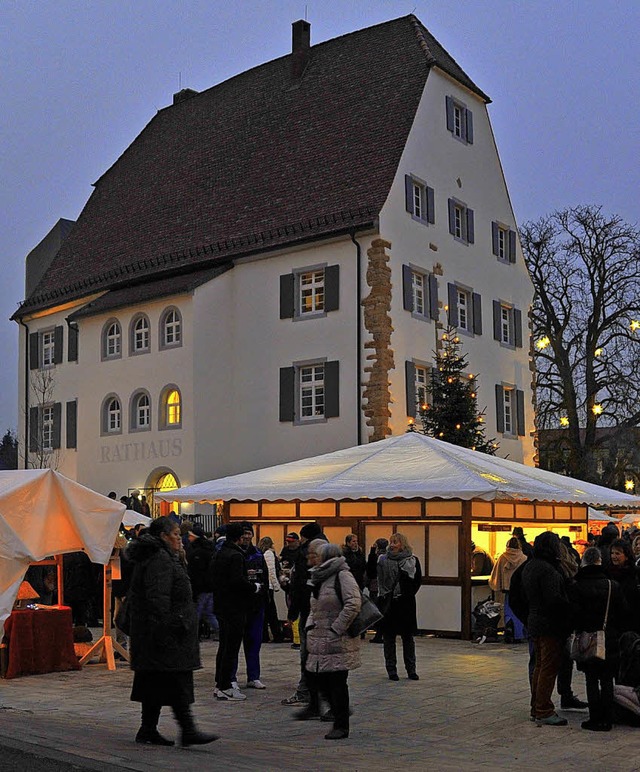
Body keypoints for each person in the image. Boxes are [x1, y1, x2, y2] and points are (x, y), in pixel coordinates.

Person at [126, 516, 217, 746]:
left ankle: (149, 729)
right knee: (175, 680)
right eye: (176, 534)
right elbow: (158, 598)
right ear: (163, 537)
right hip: (165, 633)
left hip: (157, 633)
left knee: (155, 681)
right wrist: (173, 623)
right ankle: (187, 729)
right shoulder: (160, 560)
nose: (180, 538)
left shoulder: (161, 557)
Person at [300, 540, 361, 740]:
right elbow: (315, 607)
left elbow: (353, 603)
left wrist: (337, 628)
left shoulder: (342, 575)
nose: (312, 558)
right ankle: (335, 713)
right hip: (319, 637)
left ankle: (341, 724)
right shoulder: (320, 577)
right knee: (320, 679)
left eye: (317, 555)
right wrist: (310, 625)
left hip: (337, 639)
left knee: (337, 682)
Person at [569, 546, 629, 731]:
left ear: (584, 561)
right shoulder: (612, 586)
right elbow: (623, 613)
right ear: (600, 561)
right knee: (607, 679)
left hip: (587, 638)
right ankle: (607, 717)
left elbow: (573, 614)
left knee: (591, 679)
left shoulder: (577, 586)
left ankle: (595, 717)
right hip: (609, 637)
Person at [520, 531, 571, 726]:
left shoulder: (531, 566)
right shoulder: (548, 569)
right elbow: (554, 600)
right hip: (549, 623)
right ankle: (543, 709)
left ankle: (537, 706)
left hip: (535, 620)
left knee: (540, 666)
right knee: (548, 667)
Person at [211, 522, 263, 701]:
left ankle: (220, 684)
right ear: (239, 537)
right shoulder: (235, 555)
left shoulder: (219, 553)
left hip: (221, 606)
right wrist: (254, 587)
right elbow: (237, 581)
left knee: (224, 647)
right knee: (231, 648)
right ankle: (225, 685)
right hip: (234, 607)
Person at [282, 522, 328, 706]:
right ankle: (319, 694)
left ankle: (307, 692)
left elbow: (299, 587)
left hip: (310, 612)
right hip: (325, 615)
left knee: (308, 654)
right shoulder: (332, 556)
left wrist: (292, 612)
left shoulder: (305, 554)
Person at [377, 532, 422, 681]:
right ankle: (391, 670)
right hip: (389, 603)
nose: (392, 544)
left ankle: (411, 669)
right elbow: (373, 573)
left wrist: (406, 593)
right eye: (391, 541)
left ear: (402, 544)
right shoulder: (383, 560)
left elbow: (417, 581)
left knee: (407, 638)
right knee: (389, 638)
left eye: (395, 542)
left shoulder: (412, 561)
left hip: (405, 603)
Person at [489, 537, 527, 642]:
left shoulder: (502, 557)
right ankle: (518, 635)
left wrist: (497, 585)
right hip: (519, 590)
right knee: (519, 612)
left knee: (508, 610)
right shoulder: (523, 558)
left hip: (507, 589)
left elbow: (495, 573)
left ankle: (509, 629)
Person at [185, 523, 218, 641]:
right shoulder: (210, 549)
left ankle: (194, 635)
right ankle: (220, 632)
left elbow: (195, 573)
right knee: (209, 613)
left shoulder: (196, 552)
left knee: (197, 614)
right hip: (210, 587)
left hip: (201, 588)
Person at [605, 538, 640, 632]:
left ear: (626, 556)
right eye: (612, 553)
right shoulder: (608, 573)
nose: (613, 556)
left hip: (632, 622)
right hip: (613, 623)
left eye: (618, 553)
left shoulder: (635, 573)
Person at [258, 536, 284, 643]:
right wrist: (276, 586)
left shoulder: (260, 553)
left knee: (264, 612)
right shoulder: (269, 554)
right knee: (272, 612)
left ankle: (264, 636)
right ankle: (277, 635)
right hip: (268, 587)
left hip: (263, 586)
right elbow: (271, 571)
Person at [366, 538, 388, 644]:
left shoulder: (376, 557)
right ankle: (383, 633)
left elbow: (370, 570)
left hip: (376, 586)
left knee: (376, 611)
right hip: (386, 588)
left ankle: (378, 634)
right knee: (384, 611)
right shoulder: (389, 557)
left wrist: (371, 551)